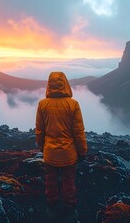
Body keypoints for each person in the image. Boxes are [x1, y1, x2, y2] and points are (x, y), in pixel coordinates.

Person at [36, 72, 88, 222]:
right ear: (66, 83)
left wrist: (42, 147)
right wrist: (82, 151)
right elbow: (78, 132)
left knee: (50, 179)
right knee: (68, 181)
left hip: (50, 152)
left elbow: (40, 130)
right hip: (68, 153)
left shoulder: (43, 104)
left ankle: (52, 209)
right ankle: (70, 212)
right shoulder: (73, 104)